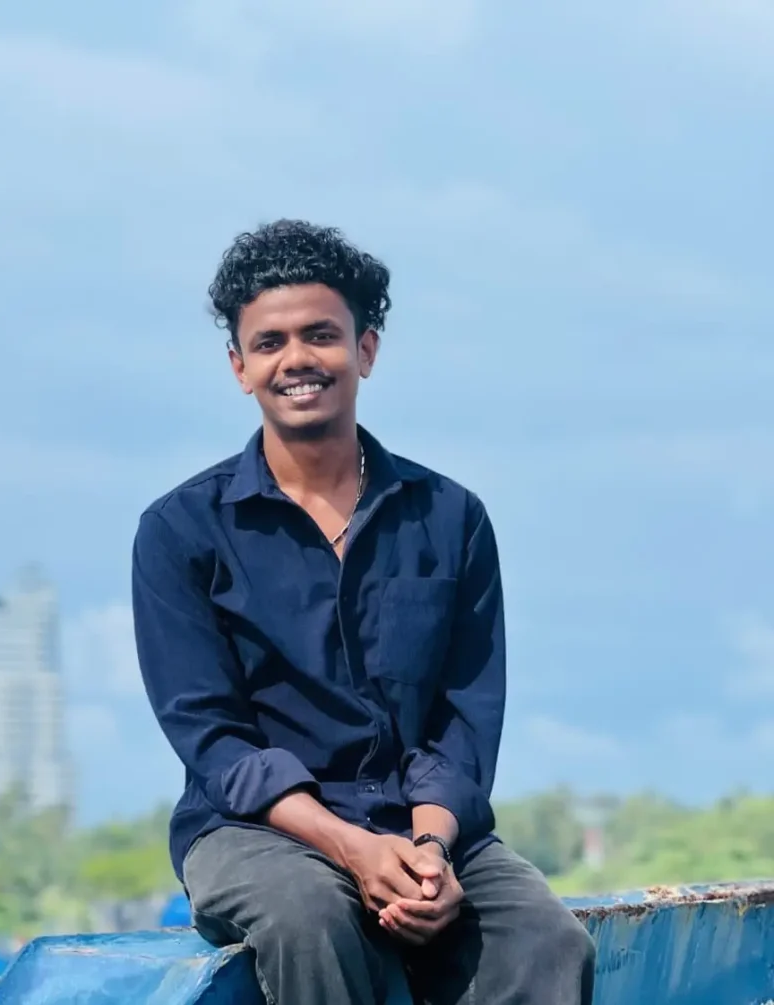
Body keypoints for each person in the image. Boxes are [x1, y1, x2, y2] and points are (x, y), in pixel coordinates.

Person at [130, 219, 596, 1005]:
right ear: (239, 367)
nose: (297, 360)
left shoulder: (450, 518)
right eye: (270, 342)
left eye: (321, 335)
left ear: (366, 350)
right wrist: (348, 847)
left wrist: (428, 846)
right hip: (253, 832)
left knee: (546, 941)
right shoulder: (180, 531)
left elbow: (465, 720)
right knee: (312, 915)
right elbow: (212, 738)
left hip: (424, 829)